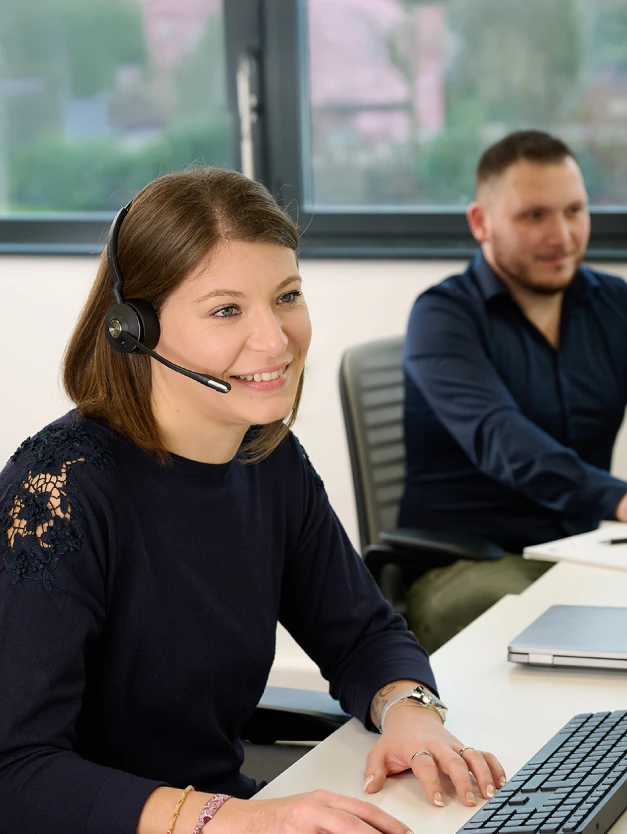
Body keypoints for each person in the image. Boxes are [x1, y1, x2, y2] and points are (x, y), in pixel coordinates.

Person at [0, 167, 504, 834]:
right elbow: (17, 773)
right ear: (134, 329)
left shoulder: (265, 457)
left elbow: (360, 632)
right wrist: (230, 819)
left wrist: (408, 713)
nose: (274, 340)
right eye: (226, 309)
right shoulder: (56, 494)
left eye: (287, 296)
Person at [399, 129, 627, 653]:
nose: (563, 236)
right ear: (481, 222)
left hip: (580, 551)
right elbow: (503, 440)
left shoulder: (613, 304)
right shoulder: (442, 317)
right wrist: (616, 498)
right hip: (471, 561)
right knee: (547, 625)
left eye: (575, 211)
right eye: (535, 216)